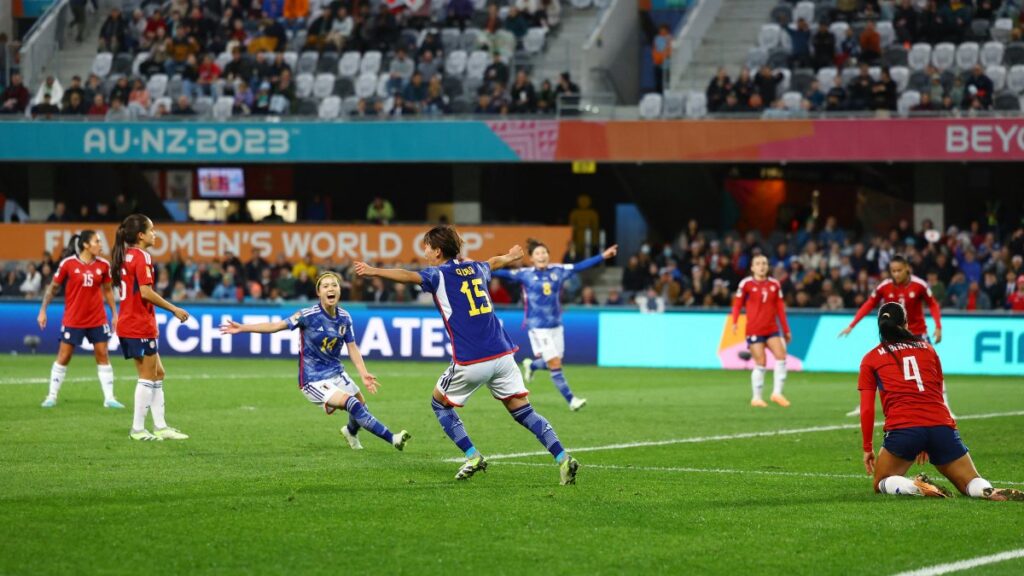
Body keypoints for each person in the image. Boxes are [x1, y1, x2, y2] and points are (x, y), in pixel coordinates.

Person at [354, 226, 579, 485]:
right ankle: (562, 458)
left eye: (427, 246)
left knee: (439, 404)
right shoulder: (476, 268)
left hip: (472, 359)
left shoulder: (437, 275)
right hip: (504, 354)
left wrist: (373, 270)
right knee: (524, 411)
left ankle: (472, 456)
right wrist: (510, 256)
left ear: (437, 251)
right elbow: (492, 262)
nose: (424, 251)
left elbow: (407, 276)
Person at [220, 272, 410, 451]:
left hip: (336, 372)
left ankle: (350, 432)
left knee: (361, 407)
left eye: (334, 285)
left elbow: (352, 347)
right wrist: (243, 328)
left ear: (339, 290)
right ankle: (392, 439)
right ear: (319, 292)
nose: (331, 289)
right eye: (325, 286)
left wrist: (363, 373)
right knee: (351, 403)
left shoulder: (344, 317)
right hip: (313, 379)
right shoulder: (306, 315)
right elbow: (276, 326)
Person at [859, 302, 1022, 501]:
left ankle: (915, 486)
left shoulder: (871, 358)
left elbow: (867, 409)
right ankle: (986, 490)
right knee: (970, 480)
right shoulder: (928, 350)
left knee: (881, 481)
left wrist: (868, 447)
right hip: (941, 426)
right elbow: (937, 392)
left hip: (904, 429)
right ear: (907, 324)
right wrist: (927, 439)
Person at [491, 239, 618, 411]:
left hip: (556, 325)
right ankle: (572, 401)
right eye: (537, 253)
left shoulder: (559, 270)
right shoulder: (525, 273)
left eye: (544, 253)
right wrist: (473, 265)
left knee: (555, 362)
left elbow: (580, 266)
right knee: (555, 364)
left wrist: (603, 256)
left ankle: (532, 365)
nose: (541, 256)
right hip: (537, 327)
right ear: (532, 258)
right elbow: (500, 273)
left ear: (548, 256)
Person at [111, 214, 191, 441]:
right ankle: (137, 429)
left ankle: (161, 426)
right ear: (141, 235)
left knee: (158, 373)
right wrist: (173, 308)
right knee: (147, 376)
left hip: (133, 322)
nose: (155, 234)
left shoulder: (125, 255)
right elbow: (145, 292)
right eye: (152, 230)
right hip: (138, 324)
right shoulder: (142, 256)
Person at [839, 255, 946, 416]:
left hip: (916, 334)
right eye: (893, 271)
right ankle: (865, 403)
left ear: (907, 269)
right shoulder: (884, 286)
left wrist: (938, 326)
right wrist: (852, 325)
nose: (896, 274)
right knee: (878, 367)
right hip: (893, 336)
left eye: (899, 270)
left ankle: (944, 405)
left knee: (932, 368)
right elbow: (869, 303)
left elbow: (933, 304)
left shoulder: (919, 285)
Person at [37, 231, 123, 409]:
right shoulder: (68, 264)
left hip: (97, 319)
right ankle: (51, 396)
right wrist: (43, 310)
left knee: (102, 355)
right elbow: (53, 288)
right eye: (97, 241)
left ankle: (109, 398)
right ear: (85, 244)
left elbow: (107, 290)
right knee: (64, 356)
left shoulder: (104, 265)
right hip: (73, 319)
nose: (100, 245)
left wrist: (114, 314)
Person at [731, 255, 792, 408]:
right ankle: (756, 398)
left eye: (764, 263)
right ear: (752, 267)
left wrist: (786, 329)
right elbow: (737, 304)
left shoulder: (774, 284)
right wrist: (734, 322)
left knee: (781, 356)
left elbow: (780, 309)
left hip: (772, 328)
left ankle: (777, 393)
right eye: (758, 263)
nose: (762, 266)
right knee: (761, 362)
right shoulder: (746, 284)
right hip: (754, 329)